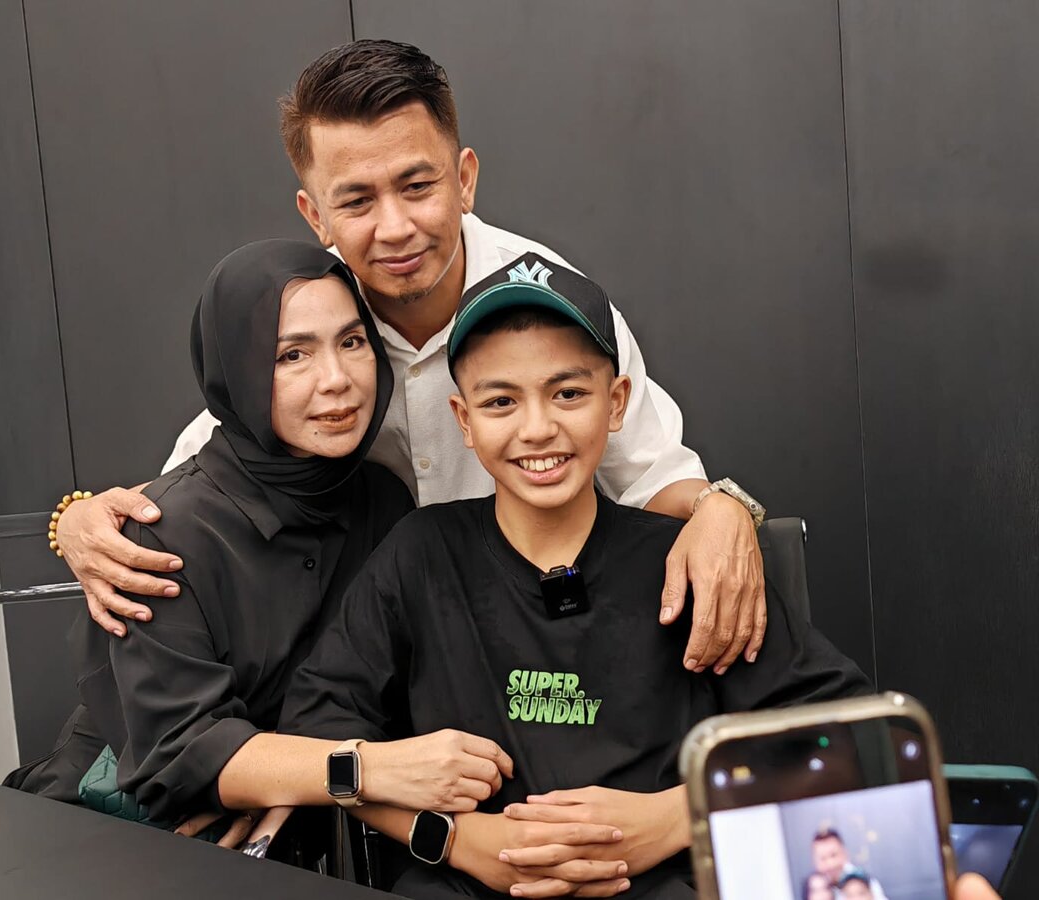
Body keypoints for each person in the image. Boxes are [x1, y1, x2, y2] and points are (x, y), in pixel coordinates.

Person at [52, 39, 768, 677]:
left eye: (417, 186)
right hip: (367, 657)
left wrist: (722, 508)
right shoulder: (313, 314)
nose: (394, 228)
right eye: (356, 201)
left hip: (533, 635)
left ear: (465, 179)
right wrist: (80, 521)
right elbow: (205, 473)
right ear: (315, 216)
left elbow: (652, 478)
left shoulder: (551, 303)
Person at [277, 255, 873, 899]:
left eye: (568, 394)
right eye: (501, 401)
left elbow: (853, 738)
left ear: (616, 403)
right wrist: (453, 838)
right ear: (464, 420)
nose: (538, 429)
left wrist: (680, 815)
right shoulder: (420, 554)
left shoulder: (685, 563)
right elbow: (318, 734)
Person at [13, 240, 516, 846]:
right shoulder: (163, 531)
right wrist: (359, 772)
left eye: (352, 342)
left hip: (293, 834)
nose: (337, 381)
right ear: (239, 370)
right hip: (116, 825)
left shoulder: (383, 500)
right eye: (292, 355)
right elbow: (182, 754)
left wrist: (299, 784)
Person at [812, 831, 888, 900]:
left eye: (833, 855)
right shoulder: (816, 889)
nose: (830, 864)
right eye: (823, 858)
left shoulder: (863, 881)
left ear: (845, 854)